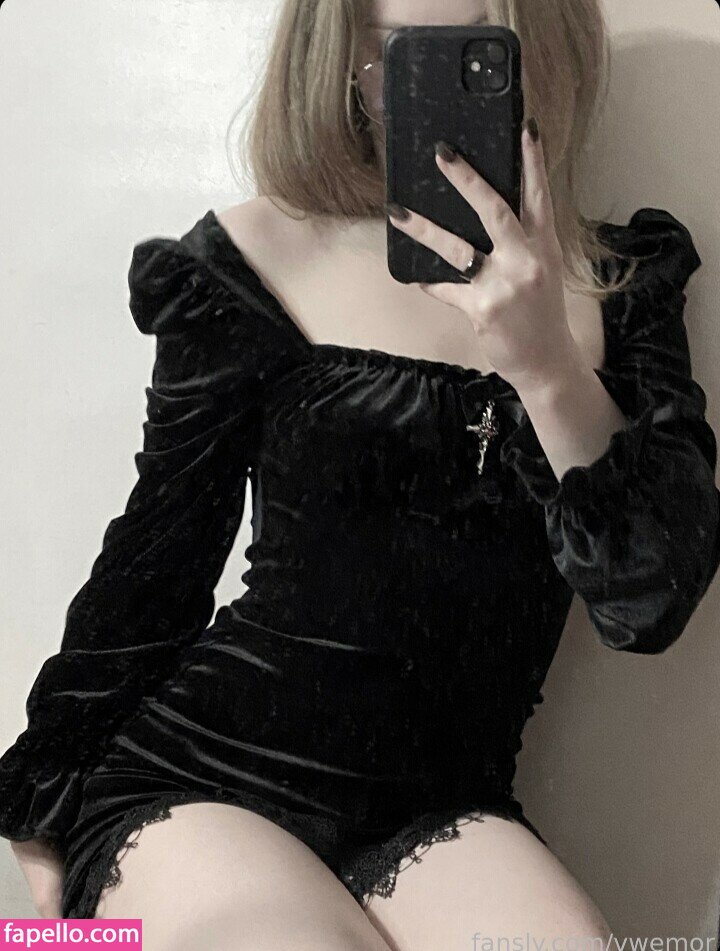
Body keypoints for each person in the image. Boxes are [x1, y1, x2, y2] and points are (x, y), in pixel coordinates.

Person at [3, 0, 719, 945]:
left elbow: (649, 602)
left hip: (445, 800)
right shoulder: (257, 257)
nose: (430, 81)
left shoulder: (624, 285)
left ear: (536, 42)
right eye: (399, 51)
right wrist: (44, 805)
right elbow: (155, 562)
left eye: (475, 42)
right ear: (344, 58)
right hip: (205, 776)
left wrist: (546, 362)